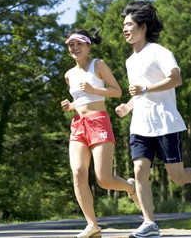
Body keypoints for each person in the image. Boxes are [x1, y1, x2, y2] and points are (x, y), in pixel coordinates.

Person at [115, 1, 191, 238]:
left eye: (128, 24)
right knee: (140, 169)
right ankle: (149, 223)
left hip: (165, 122)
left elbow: (176, 79)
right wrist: (127, 106)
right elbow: (139, 93)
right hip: (140, 124)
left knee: (177, 176)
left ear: (143, 26)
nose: (124, 29)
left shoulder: (160, 52)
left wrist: (145, 89)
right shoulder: (130, 61)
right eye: (123, 24)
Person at [61, 28, 140, 238]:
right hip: (78, 124)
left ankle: (131, 188)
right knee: (78, 172)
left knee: (103, 179)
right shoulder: (69, 74)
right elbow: (81, 99)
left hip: (99, 122)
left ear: (88, 46)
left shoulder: (99, 65)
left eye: (79, 44)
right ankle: (92, 225)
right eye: (71, 44)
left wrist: (94, 90)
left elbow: (116, 91)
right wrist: (72, 105)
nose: (74, 48)